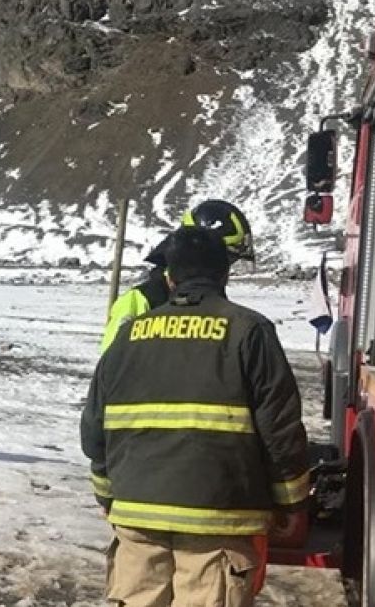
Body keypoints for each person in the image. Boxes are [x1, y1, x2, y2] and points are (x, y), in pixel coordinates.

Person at [80, 227, 309, 607]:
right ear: (224, 274)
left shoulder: (128, 335)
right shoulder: (249, 330)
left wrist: (107, 493)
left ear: (170, 277)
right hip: (219, 519)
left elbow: (94, 427)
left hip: (137, 513)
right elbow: (279, 429)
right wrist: (291, 503)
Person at [100, 199, 255, 353]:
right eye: (223, 259)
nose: (224, 269)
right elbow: (113, 362)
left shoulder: (222, 311)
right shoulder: (141, 301)